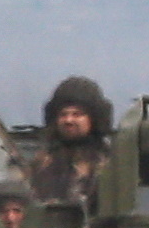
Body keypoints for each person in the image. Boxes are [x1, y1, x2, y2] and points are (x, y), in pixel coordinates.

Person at [27, 76, 112, 209]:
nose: (68, 120)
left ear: (94, 118)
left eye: (77, 114)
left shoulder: (109, 163)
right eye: (63, 114)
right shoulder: (40, 163)